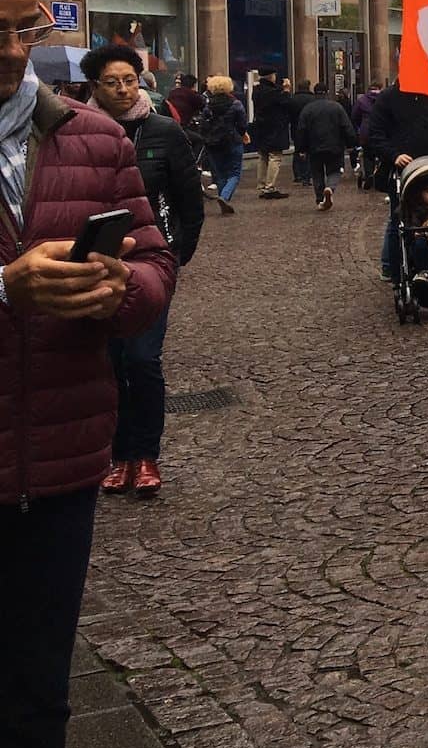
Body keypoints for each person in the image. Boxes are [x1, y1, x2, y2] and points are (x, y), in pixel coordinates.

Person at [0, 0, 178, 748]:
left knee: (35, 697)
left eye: (24, 27)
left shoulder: (96, 139)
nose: (11, 48)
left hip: (60, 464)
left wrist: (120, 289)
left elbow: (156, 262)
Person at [83, 43, 204, 501]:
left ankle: (147, 455)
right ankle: (118, 458)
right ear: (94, 86)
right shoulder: (79, 130)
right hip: (95, 265)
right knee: (109, 361)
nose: (121, 89)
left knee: (142, 359)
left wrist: (176, 257)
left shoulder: (164, 132)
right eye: (111, 82)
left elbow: (190, 202)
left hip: (150, 262)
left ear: (141, 81)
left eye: (129, 80)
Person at [364, 76, 428, 281]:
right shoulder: (388, 98)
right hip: (404, 170)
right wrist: (394, 155)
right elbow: (374, 133)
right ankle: (395, 269)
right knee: (399, 220)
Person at [296, 87, 359, 212]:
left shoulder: (308, 109)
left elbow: (301, 130)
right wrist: (351, 144)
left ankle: (320, 199)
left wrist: (301, 149)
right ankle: (330, 187)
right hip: (335, 145)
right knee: (335, 170)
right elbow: (346, 126)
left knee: (316, 172)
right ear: (327, 93)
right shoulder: (336, 107)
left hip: (314, 147)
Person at [194, 75, 247, 214]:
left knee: (220, 173)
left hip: (213, 143)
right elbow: (242, 124)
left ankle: (224, 198)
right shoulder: (236, 104)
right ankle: (224, 197)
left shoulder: (208, 105)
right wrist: (242, 134)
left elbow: (203, 125)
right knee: (235, 172)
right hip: (232, 140)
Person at [249, 69, 293, 198]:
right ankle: (270, 187)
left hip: (261, 127)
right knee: (275, 156)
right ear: (271, 76)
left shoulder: (257, 91)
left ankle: (262, 185)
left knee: (262, 156)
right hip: (274, 128)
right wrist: (286, 90)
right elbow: (286, 103)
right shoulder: (274, 93)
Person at [283, 76, 317, 186]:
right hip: (311, 128)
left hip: (296, 128)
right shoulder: (313, 99)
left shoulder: (292, 99)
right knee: (310, 151)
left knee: (298, 150)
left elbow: (288, 114)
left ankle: (298, 174)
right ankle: (307, 175)